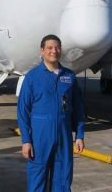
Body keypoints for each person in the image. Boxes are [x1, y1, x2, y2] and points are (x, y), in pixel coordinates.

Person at [17, 34, 85, 192]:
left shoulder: (69, 77)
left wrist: (80, 135)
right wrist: (26, 140)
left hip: (64, 137)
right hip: (40, 139)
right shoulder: (32, 77)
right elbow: (23, 111)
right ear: (42, 51)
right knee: (37, 181)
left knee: (63, 180)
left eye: (57, 47)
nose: (54, 51)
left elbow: (78, 108)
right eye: (49, 47)